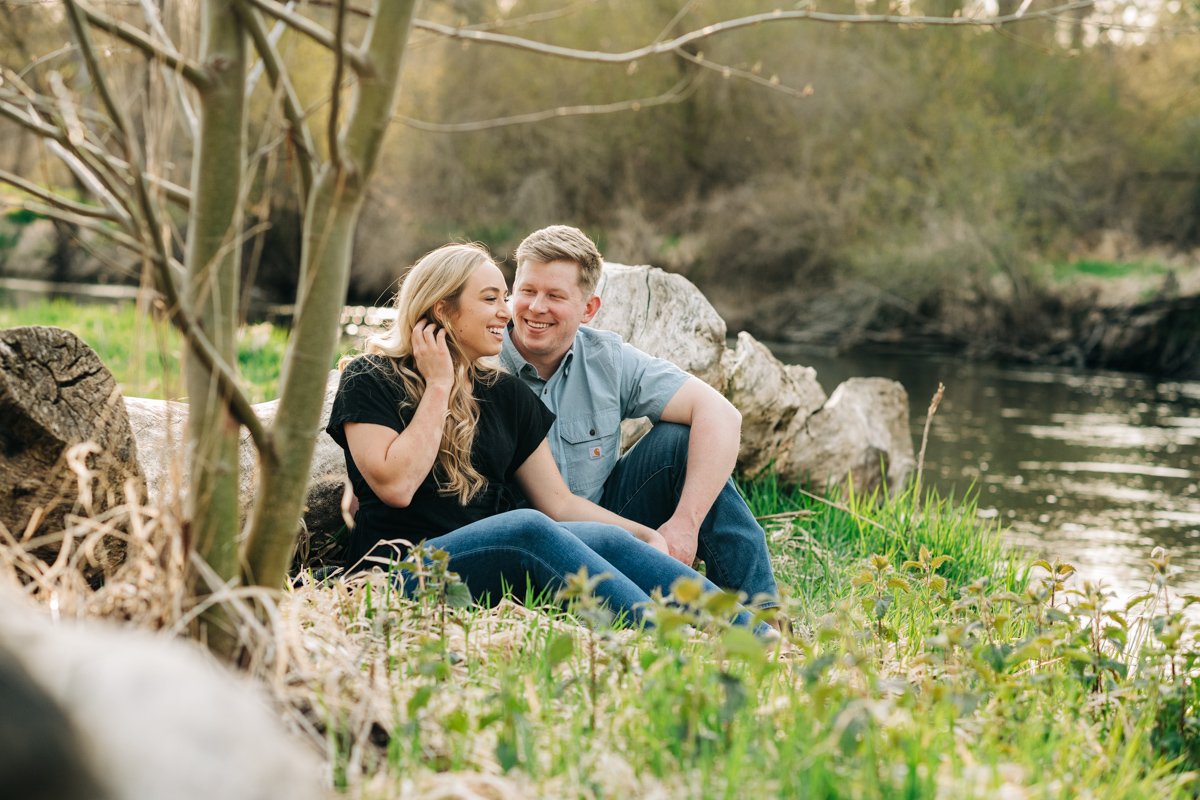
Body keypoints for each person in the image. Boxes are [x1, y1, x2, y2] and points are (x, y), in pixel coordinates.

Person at [326, 243, 763, 630]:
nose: (508, 312)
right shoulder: (371, 377)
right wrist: (440, 384)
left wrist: (644, 535)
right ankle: (665, 637)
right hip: (400, 573)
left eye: (504, 297)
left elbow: (559, 504)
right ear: (443, 309)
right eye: (491, 299)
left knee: (603, 538)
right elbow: (397, 487)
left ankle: (756, 632)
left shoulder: (504, 393)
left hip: (485, 568)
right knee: (525, 527)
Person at [500, 225, 780, 611]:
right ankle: (682, 606)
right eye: (527, 291)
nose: (535, 308)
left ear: (589, 309)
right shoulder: (484, 358)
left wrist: (683, 525)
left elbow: (721, 414)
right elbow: (553, 506)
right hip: (517, 540)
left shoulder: (606, 359)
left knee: (680, 442)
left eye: (555, 296)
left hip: (609, 525)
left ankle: (763, 618)